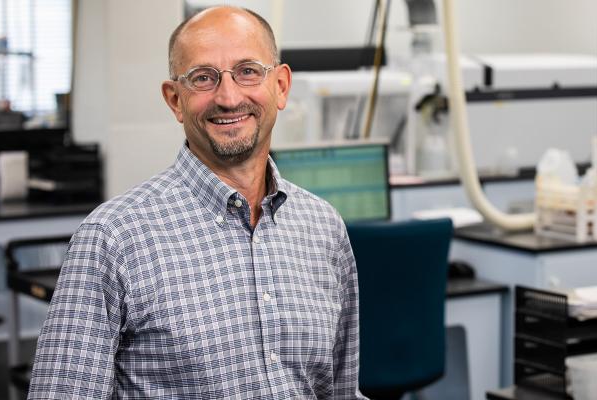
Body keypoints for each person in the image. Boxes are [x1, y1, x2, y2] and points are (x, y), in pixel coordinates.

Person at [28, 6, 365, 399]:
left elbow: (341, 392)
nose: (228, 96)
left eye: (248, 71)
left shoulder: (322, 226)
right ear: (174, 99)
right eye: (203, 78)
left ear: (281, 86)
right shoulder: (113, 239)